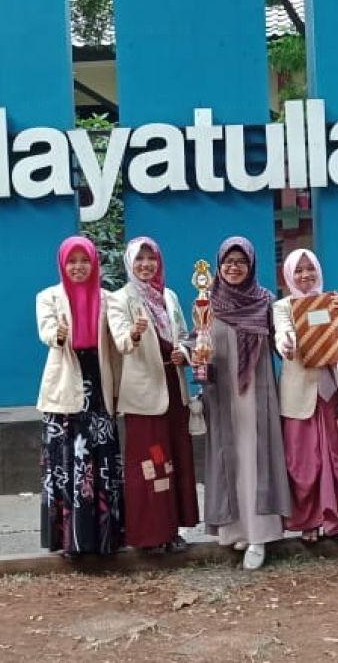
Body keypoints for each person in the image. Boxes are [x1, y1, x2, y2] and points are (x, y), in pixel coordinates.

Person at [202, 236, 291, 569]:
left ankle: (259, 535)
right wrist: (191, 353)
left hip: (257, 393)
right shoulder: (208, 302)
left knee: (256, 459)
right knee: (231, 460)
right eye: (228, 262)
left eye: (241, 262)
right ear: (219, 265)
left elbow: (282, 337)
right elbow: (197, 341)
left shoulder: (265, 301)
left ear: (251, 265)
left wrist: (289, 342)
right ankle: (236, 529)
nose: (234, 267)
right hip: (222, 396)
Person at [108, 236, 200, 553]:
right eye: (140, 259)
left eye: (152, 259)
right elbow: (120, 340)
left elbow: (185, 336)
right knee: (150, 463)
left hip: (174, 387)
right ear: (129, 263)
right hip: (144, 393)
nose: (146, 265)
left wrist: (183, 354)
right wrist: (133, 334)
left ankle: (171, 529)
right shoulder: (120, 299)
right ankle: (149, 535)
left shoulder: (168, 296)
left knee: (174, 460)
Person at [35, 235, 124, 556]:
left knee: (100, 462)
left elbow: (119, 340)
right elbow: (46, 331)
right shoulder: (48, 297)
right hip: (65, 391)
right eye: (72, 261)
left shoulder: (108, 299)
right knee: (68, 463)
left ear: (94, 263)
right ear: (62, 264)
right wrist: (57, 335)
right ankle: (70, 541)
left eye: (84, 260)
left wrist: (133, 335)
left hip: (99, 389)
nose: (78, 267)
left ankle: (103, 539)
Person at [273, 248, 338, 543]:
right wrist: (286, 343)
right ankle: (308, 522)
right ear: (288, 275)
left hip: (331, 394)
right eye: (298, 270)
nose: (305, 275)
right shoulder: (283, 306)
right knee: (303, 461)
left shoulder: (333, 301)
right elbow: (282, 332)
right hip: (300, 395)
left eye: (310, 269)